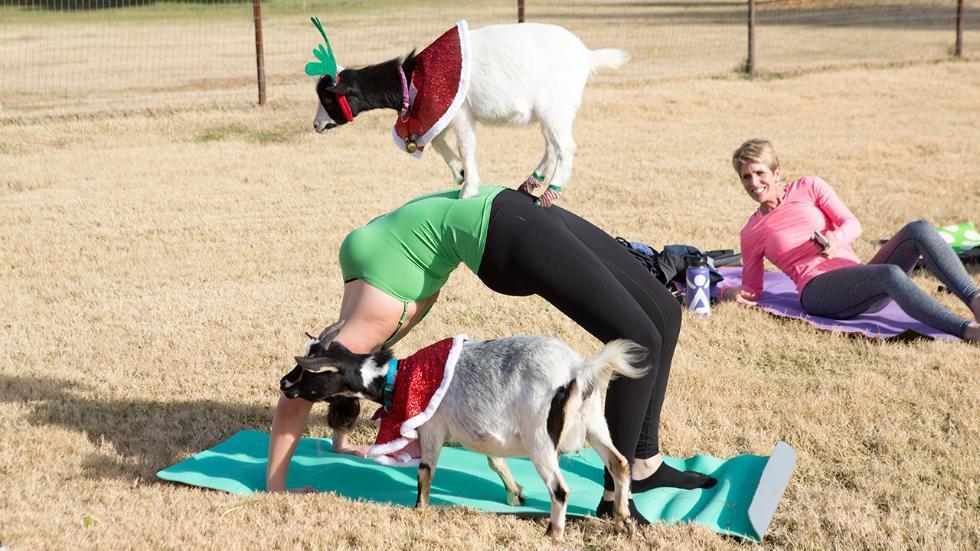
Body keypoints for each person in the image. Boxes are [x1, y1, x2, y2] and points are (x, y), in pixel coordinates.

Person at [266, 185, 716, 520]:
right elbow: (307, 387)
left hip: (507, 211)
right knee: (641, 334)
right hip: (502, 227)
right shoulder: (361, 309)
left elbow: (300, 390)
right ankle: (616, 493)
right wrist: (299, 474)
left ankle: (645, 462)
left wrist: (299, 470)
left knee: (663, 313)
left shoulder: (359, 327)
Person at [720, 138, 980, 342]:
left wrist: (834, 239)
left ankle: (976, 301)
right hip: (818, 292)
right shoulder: (752, 232)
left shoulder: (809, 186)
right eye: (745, 176)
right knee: (888, 274)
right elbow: (752, 291)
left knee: (919, 229)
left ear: (776, 173)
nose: (753, 182)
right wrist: (726, 292)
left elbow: (853, 224)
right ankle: (966, 331)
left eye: (759, 173)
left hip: (859, 278)